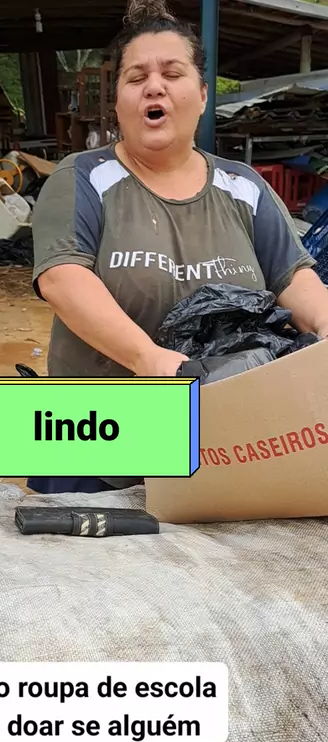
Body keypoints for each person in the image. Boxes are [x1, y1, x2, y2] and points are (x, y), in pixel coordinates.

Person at [27, 0, 328, 495]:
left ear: (203, 95)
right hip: (97, 437)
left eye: (172, 73)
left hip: (226, 438)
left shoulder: (243, 185)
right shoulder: (81, 177)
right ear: (119, 102)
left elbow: (292, 276)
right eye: (136, 77)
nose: (154, 86)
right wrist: (147, 358)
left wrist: (323, 323)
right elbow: (62, 278)